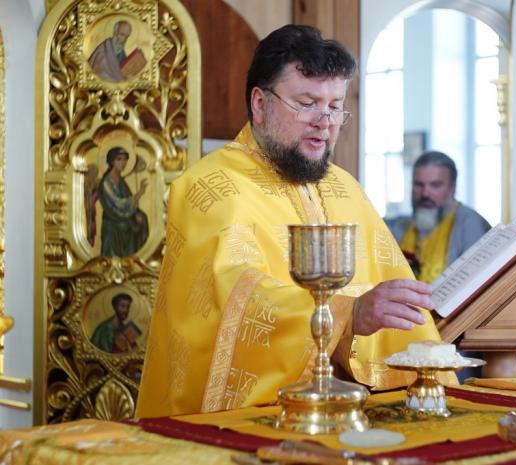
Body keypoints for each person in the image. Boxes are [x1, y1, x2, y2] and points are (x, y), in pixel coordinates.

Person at [136, 25, 456, 418]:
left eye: (335, 106)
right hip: (250, 421)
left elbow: (392, 296)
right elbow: (236, 297)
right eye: (307, 103)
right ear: (260, 103)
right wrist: (347, 315)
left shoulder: (345, 188)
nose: (325, 121)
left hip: (355, 412)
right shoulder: (210, 186)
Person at [386, 151, 491, 283]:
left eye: (435, 185)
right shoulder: (399, 227)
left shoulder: (472, 225)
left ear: (453, 187)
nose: (425, 193)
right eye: (418, 184)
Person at [98, 146, 149, 257]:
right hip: (113, 224)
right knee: (129, 225)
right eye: (119, 159)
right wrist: (140, 193)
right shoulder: (107, 182)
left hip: (122, 219)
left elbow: (127, 200)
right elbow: (119, 204)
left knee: (142, 218)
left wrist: (135, 213)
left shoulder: (121, 181)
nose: (123, 163)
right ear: (112, 161)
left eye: (125, 159)